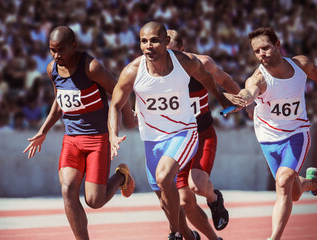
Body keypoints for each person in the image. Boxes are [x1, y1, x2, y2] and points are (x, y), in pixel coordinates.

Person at [108, 21, 232, 240]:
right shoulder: (132, 71)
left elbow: (211, 79)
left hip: (186, 132)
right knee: (172, 200)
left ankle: (173, 233)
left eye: (155, 40)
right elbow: (115, 105)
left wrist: (225, 100)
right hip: (152, 140)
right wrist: (112, 134)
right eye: (144, 41)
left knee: (168, 178)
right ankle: (191, 235)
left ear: (167, 43)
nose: (149, 46)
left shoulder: (189, 63)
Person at [23, 26, 136, 240]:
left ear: (74, 46)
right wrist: (42, 131)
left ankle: (122, 176)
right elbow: (59, 103)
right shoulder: (52, 69)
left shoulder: (91, 67)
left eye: (61, 50)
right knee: (68, 190)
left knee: (95, 201)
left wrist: (126, 123)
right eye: (52, 50)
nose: (56, 56)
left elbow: (119, 92)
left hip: (97, 138)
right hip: (72, 139)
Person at [227, 26, 317, 240]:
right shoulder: (259, 78)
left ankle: (274, 238)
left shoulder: (301, 65)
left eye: (265, 48)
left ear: (278, 45)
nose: (261, 55)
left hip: (297, 133)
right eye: (256, 51)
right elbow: (248, 90)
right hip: (268, 138)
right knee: (292, 192)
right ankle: (311, 182)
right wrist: (245, 100)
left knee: (283, 182)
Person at [167, 29, 243, 240]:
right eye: (165, 55)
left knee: (198, 185)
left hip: (202, 135)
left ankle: (213, 198)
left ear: (183, 51)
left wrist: (245, 102)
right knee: (184, 201)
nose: (168, 62)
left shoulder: (202, 64)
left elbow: (225, 80)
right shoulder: (154, 69)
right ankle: (213, 238)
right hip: (178, 141)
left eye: (174, 55)